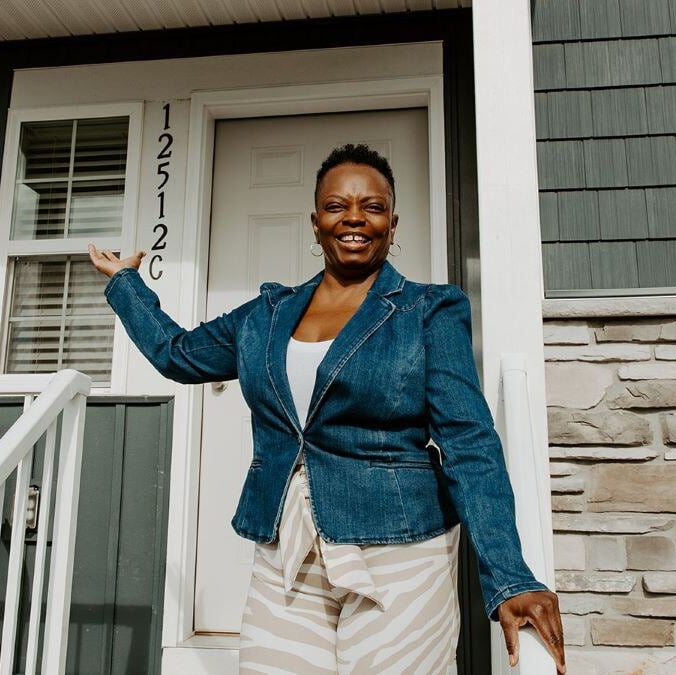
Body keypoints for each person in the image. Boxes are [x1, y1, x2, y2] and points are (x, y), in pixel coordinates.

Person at [89, 143, 565, 674]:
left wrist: (510, 576)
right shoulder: (266, 315)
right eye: (337, 206)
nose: (355, 218)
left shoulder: (428, 310)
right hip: (287, 546)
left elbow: (468, 442)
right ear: (315, 223)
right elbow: (178, 356)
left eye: (373, 206)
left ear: (392, 221)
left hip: (400, 548)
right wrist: (124, 284)